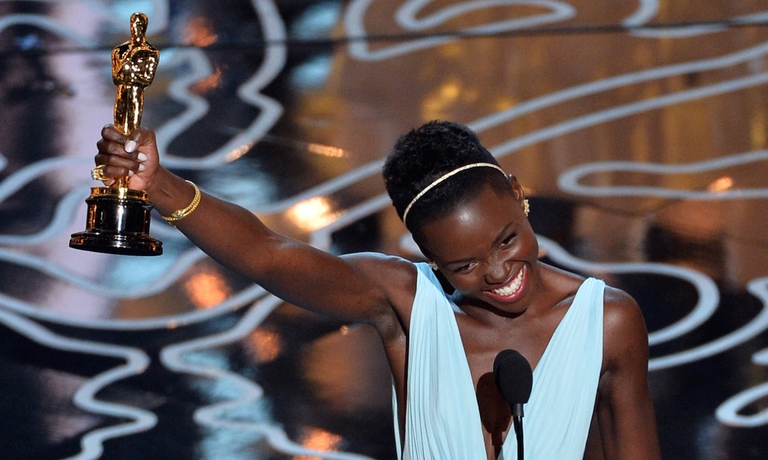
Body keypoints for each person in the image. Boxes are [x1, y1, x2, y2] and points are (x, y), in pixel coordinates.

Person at [94, 120, 661, 460]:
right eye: (463, 263)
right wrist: (161, 188)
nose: (495, 271)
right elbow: (270, 254)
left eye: (507, 239)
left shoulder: (607, 322)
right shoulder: (408, 302)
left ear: (517, 194)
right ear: (427, 254)